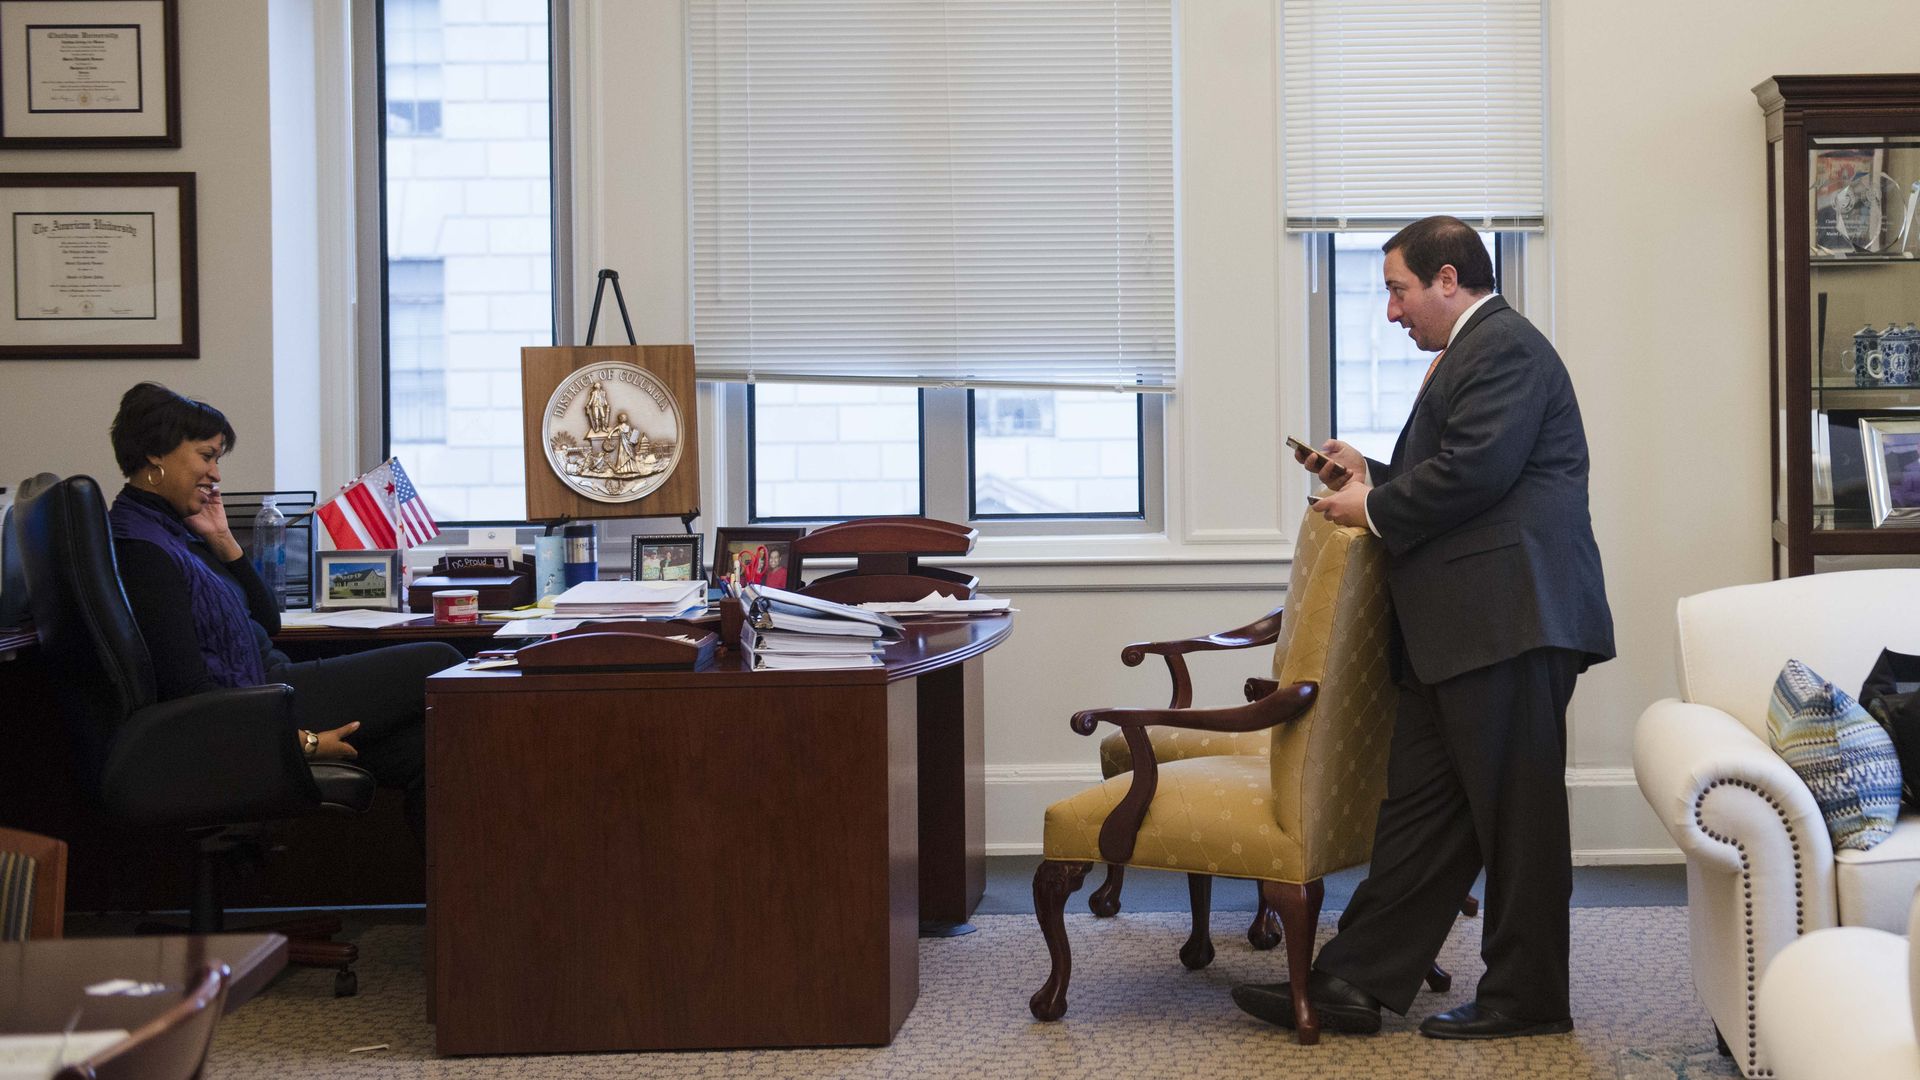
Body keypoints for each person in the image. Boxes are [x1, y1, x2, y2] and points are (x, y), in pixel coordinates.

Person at [1233, 216, 1614, 1040]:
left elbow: (1476, 472)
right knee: (1421, 815)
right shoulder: (1477, 354)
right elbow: (1470, 470)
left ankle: (1528, 997)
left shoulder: (1503, 346)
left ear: (1449, 279)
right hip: (1467, 629)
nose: (1393, 311)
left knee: (1518, 825)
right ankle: (1354, 982)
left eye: (1399, 291)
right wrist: (1374, 476)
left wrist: (1370, 505)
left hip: (1509, 621)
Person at [105, 382, 461, 843]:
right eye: (206, 456)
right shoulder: (144, 550)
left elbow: (267, 622)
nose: (215, 474)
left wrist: (224, 543)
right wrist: (301, 742)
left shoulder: (173, 533)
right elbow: (185, 690)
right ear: (156, 455)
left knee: (425, 749)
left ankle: (459, 909)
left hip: (270, 686)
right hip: (260, 709)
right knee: (439, 661)